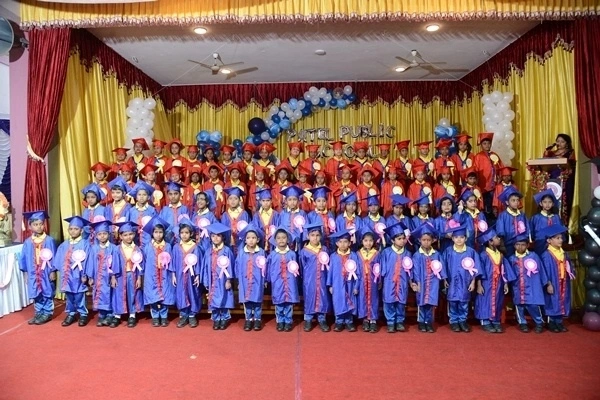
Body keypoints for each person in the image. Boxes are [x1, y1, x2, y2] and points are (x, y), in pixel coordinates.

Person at [20, 211, 57, 325]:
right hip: (33, 272)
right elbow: (24, 258)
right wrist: (26, 273)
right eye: (35, 224)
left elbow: (54, 256)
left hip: (45, 271)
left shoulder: (49, 240)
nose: (39, 226)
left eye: (41, 224)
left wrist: (53, 271)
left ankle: (47, 312)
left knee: (46, 291)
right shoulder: (27, 242)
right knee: (36, 292)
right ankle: (39, 312)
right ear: (30, 226)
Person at [54, 216, 92, 327]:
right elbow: (58, 260)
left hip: (79, 275)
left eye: (76, 229)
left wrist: (86, 275)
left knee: (79, 294)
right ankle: (71, 313)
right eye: (71, 229)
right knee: (69, 295)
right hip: (67, 275)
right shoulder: (64, 245)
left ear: (81, 230)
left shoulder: (85, 244)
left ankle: (83, 313)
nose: (73, 231)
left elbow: (89, 260)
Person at [444, 224, 481, 333]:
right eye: (456, 237)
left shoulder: (471, 252)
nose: (459, 239)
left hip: (466, 282)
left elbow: (476, 268)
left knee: (464, 302)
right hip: (452, 282)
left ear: (466, 238)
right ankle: (454, 321)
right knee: (453, 301)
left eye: (461, 237)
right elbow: (443, 266)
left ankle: (462, 320)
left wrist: (473, 282)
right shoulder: (448, 251)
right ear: (452, 238)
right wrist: (445, 279)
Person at [475, 227, 513, 333]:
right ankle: (485, 321)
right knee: (485, 301)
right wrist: (479, 285)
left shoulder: (500, 255)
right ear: (490, 242)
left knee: (497, 300)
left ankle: (495, 320)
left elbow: (504, 270)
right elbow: (479, 271)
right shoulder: (483, 255)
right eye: (496, 237)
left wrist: (505, 283)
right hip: (486, 283)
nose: (499, 239)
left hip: (498, 283)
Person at [507, 234, 546, 333]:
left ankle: (539, 322)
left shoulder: (533, 256)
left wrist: (546, 283)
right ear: (514, 246)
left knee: (533, 304)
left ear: (527, 245)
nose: (520, 247)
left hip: (532, 285)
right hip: (518, 286)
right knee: (519, 305)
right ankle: (522, 323)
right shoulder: (512, 259)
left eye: (523, 244)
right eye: (517, 244)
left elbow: (541, 270)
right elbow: (509, 274)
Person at [410, 223, 445, 333]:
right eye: (424, 240)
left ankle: (429, 322)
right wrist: (416, 282)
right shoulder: (417, 255)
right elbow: (415, 270)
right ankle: (421, 322)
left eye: (428, 240)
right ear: (419, 240)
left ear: (433, 240)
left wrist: (443, 280)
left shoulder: (436, 254)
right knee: (421, 302)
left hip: (433, 282)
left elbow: (441, 268)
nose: (426, 242)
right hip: (421, 282)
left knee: (431, 302)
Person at [540, 224, 574, 333]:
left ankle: (559, 322)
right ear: (549, 240)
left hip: (563, 281)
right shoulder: (546, 255)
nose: (561, 240)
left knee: (562, 299)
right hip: (553, 282)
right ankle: (551, 322)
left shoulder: (564, 253)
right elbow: (543, 271)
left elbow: (569, 266)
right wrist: (548, 284)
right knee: (552, 301)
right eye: (557, 238)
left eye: (561, 238)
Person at [142, 216, 175, 328]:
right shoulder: (147, 247)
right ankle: (155, 316)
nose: (158, 235)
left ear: (164, 233)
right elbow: (145, 260)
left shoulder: (168, 246)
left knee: (165, 294)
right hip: (151, 274)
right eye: (156, 232)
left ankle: (164, 316)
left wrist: (172, 274)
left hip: (165, 274)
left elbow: (171, 261)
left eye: (160, 232)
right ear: (152, 233)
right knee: (153, 295)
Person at [380, 222, 413, 333]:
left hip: (402, 281)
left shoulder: (407, 253)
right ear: (393, 240)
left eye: (403, 238)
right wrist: (381, 280)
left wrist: (411, 281)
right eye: (399, 239)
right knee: (389, 301)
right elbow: (382, 269)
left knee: (401, 301)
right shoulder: (386, 252)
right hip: (389, 281)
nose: (402, 241)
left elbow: (410, 270)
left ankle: (399, 321)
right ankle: (390, 322)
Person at [202, 223, 235, 330]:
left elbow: (230, 266)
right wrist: (206, 281)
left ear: (223, 237)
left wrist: (229, 280)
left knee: (224, 298)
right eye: (213, 236)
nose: (215, 238)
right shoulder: (208, 252)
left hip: (223, 280)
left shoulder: (227, 251)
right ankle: (216, 319)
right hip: (212, 280)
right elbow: (205, 267)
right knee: (213, 299)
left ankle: (224, 318)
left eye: (218, 235)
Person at [88, 220, 121, 327]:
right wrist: (90, 276)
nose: (102, 236)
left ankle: (110, 315)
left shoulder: (114, 248)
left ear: (109, 234)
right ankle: (102, 315)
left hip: (108, 277)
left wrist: (114, 276)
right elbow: (90, 263)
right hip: (97, 276)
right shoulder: (93, 248)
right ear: (96, 236)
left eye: (105, 233)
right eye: (100, 234)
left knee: (110, 294)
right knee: (99, 294)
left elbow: (116, 263)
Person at [266, 227, 300, 332]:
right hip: (277, 282)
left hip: (290, 281)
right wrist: (268, 280)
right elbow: (268, 268)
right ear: (275, 240)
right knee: (279, 301)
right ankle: (280, 321)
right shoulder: (272, 255)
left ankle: (288, 321)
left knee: (289, 302)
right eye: (279, 238)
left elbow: (296, 269)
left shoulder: (292, 254)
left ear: (288, 239)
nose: (281, 240)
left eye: (284, 237)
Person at [299, 222, 331, 332]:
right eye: (312, 235)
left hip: (322, 278)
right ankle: (308, 319)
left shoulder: (325, 249)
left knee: (322, 296)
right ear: (308, 236)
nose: (315, 238)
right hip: (309, 279)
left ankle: (322, 319)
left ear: (321, 236)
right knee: (309, 297)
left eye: (317, 235)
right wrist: (305, 278)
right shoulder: (304, 251)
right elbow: (302, 266)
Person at [112, 221, 144, 328]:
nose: (128, 237)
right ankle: (117, 315)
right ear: (120, 236)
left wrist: (139, 278)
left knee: (132, 294)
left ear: (134, 234)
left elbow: (140, 265)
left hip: (132, 275)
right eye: (125, 235)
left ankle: (132, 315)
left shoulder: (137, 249)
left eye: (130, 234)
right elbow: (114, 264)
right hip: (120, 275)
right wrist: (113, 277)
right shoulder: (117, 249)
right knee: (119, 294)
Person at [171, 217, 202, 328]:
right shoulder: (176, 247)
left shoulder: (195, 247)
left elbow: (198, 262)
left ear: (191, 234)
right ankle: (183, 315)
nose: (184, 235)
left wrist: (198, 275)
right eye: (182, 233)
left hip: (191, 276)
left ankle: (192, 315)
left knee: (193, 293)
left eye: (186, 233)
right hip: (180, 275)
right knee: (181, 293)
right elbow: (173, 261)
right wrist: (173, 275)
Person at [328, 229, 361, 332]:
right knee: (338, 301)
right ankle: (339, 321)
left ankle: (349, 321)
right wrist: (330, 285)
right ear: (337, 243)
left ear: (350, 243)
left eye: (345, 242)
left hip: (350, 283)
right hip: (337, 283)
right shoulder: (333, 256)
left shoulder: (353, 255)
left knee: (349, 300)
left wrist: (356, 286)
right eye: (340, 242)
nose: (343, 244)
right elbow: (330, 271)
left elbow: (358, 272)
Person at [235, 224, 267, 331]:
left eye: (253, 238)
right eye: (248, 238)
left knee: (257, 300)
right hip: (245, 280)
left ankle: (257, 319)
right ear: (245, 240)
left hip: (258, 280)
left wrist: (265, 280)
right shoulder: (241, 253)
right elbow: (237, 267)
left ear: (258, 239)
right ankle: (248, 319)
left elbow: (265, 267)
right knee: (247, 300)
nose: (251, 240)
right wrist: (238, 281)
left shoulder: (261, 252)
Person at [543, 133, 577, 226]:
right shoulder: (551, 153)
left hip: (564, 180)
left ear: (567, 143)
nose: (559, 143)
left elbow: (571, 166)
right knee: (551, 199)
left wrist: (562, 159)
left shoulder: (570, 152)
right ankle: (549, 223)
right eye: (558, 141)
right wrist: (547, 151)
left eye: (562, 141)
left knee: (563, 201)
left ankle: (563, 224)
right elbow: (544, 162)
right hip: (552, 180)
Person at [356, 226, 381, 333]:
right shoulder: (358, 254)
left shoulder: (377, 253)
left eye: (371, 240)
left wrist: (379, 281)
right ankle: (365, 319)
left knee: (373, 299)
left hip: (373, 281)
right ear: (361, 241)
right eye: (365, 240)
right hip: (362, 280)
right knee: (363, 299)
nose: (368, 243)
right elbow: (356, 269)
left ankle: (373, 320)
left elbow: (379, 268)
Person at [473, 132, 504, 217]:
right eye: (484, 143)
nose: (487, 145)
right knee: (486, 206)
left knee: (494, 204)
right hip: (484, 185)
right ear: (481, 145)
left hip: (494, 185)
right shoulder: (478, 156)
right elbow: (476, 170)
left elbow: (500, 167)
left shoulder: (495, 155)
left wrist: (500, 177)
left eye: (488, 143)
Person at [495, 187, 528, 256]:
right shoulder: (503, 215)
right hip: (508, 244)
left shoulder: (522, 215)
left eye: (518, 200)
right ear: (507, 202)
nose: (516, 202)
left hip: (520, 245)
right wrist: (502, 244)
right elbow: (500, 230)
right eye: (513, 200)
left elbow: (527, 229)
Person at [530, 189, 563, 255]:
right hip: (540, 244)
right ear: (540, 203)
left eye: (550, 202)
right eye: (545, 202)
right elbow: (531, 232)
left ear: (553, 204)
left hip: (554, 244)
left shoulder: (556, 217)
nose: (547, 204)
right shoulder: (536, 218)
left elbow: (560, 231)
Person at [127, 180, 158, 249]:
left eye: (144, 195)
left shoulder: (152, 210)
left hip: (148, 242)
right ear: (136, 197)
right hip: (134, 242)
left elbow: (156, 227)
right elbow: (127, 227)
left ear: (148, 197)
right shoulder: (131, 211)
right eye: (139, 194)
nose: (141, 197)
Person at [220, 187, 250, 253]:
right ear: (227, 201)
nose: (233, 201)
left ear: (239, 201)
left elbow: (248, 230)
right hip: (228, 243)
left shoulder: (244, 214)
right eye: (230, 198)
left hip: (241, 243)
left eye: (235, 198)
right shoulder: (225, 215)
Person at [278, 186, 308, 250]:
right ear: (286, 201)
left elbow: (306, 228)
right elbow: (279, 227)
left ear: (298, 201)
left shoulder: (302, 213)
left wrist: (305, 240)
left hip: (299, 243)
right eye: (290, 200)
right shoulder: (282, 214)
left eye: (294, 199)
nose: (292, 202)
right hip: (285, 243)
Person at [105, 176, 132, 243]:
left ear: (124, 193)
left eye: (118, 192)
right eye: (113, 192)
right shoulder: (108, 207)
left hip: (123, 237)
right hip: (110, 237)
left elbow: (128, 222)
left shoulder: (128, 207)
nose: (115, 195)